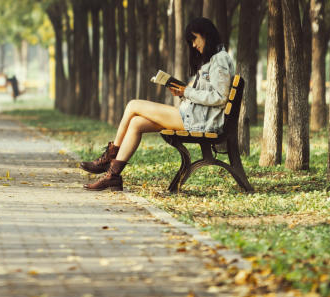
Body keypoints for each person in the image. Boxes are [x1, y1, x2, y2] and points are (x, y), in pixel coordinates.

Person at [80, 16, 235, 191]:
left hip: (201, 121)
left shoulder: (219, 59)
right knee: (137, 123)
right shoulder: (214, 59)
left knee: (133, 105)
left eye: (194, 39)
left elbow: (220, 97)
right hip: (197, 117)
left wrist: (187, 91)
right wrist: (183, 93)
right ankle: (113, 176)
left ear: (206, 35)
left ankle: (108, 158)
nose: (193, 45)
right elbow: (209, 95)